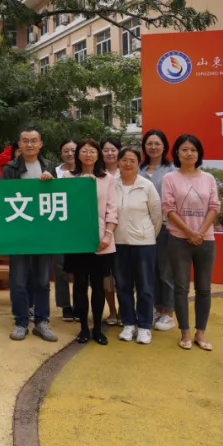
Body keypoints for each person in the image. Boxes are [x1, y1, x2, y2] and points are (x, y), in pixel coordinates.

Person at [0, 126, 57, 342]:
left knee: (42, 280)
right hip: (18, 233)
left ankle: (42, 322)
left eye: (33, 140)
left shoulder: (49, 166)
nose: (29, 144)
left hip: (42, 233)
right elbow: (1, 198)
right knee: (18, 280)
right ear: (19, 144)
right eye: (25, 140)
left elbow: (58, 197)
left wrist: (52, 182)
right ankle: (21, 321)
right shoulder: (10, 168)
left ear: (40, 144)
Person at [163, 134, 220, 352]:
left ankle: (200, 333)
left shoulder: (208, 178)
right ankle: (185, 332)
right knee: (181, 287)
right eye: (184, 149)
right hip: (178, 239)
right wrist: (189, 232)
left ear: (199, 154)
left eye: (193, 150)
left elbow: (214, 206)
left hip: (206, 240)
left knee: (204, 288)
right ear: (177, 153)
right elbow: (168, 209)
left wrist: (200, 232)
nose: (189, 153)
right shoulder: (170, 178)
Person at [64, 139, 117, 345]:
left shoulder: (107, 178)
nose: (88, 155)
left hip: (101, 239)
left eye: (92, 151)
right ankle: (84, 328)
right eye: (84, 151)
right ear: (77, 154)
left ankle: (98, 329)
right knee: (79, 284)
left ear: (98, 155)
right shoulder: (68, 177)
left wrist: (108, 236)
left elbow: (112, 209)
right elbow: (62, 202)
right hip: (76, 239)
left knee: (98, 285)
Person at [113, 146, 162, 345]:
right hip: (118, 243)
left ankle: (144, 326)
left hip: (143, 244)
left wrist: (147, 234)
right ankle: (128, 324)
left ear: (138, 163)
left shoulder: (146, 185)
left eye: (132, 160)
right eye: (124, 160)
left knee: (145, 286)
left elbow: (157, 215)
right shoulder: (112, 184)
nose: (127, 164)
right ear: (118, 162)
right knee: (122, 286)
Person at [140, 128, 176, 332]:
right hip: (142, 228)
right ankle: (156, 309)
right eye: (149, 143)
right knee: (149, 271)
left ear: (164, 147)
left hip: (165, 226)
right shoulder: (139, 169)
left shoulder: (172, 169)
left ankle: (168, 313)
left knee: (166, 270)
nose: (153, 147)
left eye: (157, 144)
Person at [53, 139, 78, 322]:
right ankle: (65, 305)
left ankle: (79, 304)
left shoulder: (86, 172)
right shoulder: (54, 172)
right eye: (66, 150)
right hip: (58, 226)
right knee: (60, 267)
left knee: (80, 268)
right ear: (61, 153)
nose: (70, 154)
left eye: (73, 150)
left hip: (79, 226)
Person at [99, 137, 123, 326]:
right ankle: (112, 311)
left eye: (113, 149)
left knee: (123, 276)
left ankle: (124, 311)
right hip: (104, 232)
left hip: (125, 232)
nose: (109, 153)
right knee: (106, 276)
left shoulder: (127, 170)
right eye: (105, 149)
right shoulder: (98, 174)